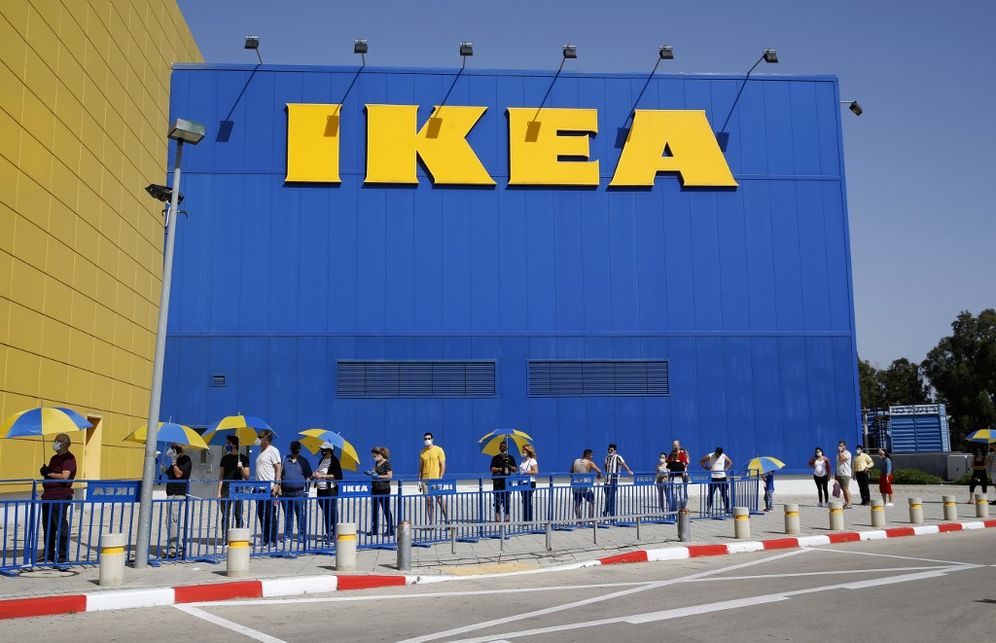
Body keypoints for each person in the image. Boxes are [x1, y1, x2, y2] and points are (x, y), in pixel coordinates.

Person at [39, 433, 76, 564]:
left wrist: (49, 473)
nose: (55, 443)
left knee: (60, 526)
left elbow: (65, 476)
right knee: (48, 526)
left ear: (65, 444)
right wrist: (46, 471)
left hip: (60, 495)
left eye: (58, 441)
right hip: (48, 495)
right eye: (55, 440)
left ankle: (63, 556)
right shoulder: (54, 458)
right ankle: (48, 553)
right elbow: (51, 474)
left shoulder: (69, 459)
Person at [161, 442, 192, 558]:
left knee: (172, 520)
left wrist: (173, 462)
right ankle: (174, 546)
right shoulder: (176, 461)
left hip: (178, 494)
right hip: (170, 493)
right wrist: (165, 470)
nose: (172, 450)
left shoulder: (186, 460)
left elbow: (179, 474)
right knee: (168, 521)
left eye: (174, 448)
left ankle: (176, 549)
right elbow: (172, 474)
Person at [217, 435, 250, 539]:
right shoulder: (224, 458)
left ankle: (238, 537)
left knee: (238, 514)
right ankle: (225, 538)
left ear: (235, 444)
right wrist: (219, 492)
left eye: (229, 443)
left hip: (238, 488)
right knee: (225, 515)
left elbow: (247, 476)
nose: (227, 445)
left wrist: (241, 468)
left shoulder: (243, 458)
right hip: (226, 488)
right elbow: (221, 476)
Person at [281, 440, 312, 544]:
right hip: (285, 492)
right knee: (287, 515)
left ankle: (302, 535)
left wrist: (307, 489)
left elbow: (308, 475)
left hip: (299, 492)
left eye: (296, 448)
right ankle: (288, 535)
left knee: (300, 514)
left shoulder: (304, 461)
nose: (295, 450)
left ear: (299, 449)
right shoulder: (284, 460)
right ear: (291, 449)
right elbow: (280, 474)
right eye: (293, 448)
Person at [254, 430, 282, 546]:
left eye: (260, 437)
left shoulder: (273, 450)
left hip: (269, 488)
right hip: (259, 488)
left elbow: (278, 468)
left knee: (270, 514)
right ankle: (265, 538)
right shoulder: (261, 451)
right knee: (261, 514)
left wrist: (276, 484)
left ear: (266, 439)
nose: (258, 439)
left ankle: (273, 539)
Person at [312, 441, 343, 544]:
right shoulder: (322, 460)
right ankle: (328, 532)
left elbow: (337, 476)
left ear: (329, 450)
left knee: (332, 511)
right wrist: (315, 474)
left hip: (330, 490)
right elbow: (320, 471)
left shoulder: (334, 461)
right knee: (326, 512)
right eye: (321, 449)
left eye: (324, 450)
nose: (322, 451)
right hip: (320, 490)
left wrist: (323, 476)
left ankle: (334, 533)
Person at [418, 432, 448, 523]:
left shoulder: (439, 450)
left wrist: (440, 477)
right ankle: (431, 523)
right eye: (425, 439)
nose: (427, 440)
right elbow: (421, 467)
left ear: (432, 439)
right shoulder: (422, 452)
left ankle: (447, 521)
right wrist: (419, 480)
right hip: (425, 480)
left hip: (436, 480)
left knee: (440, 500)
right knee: (428, 501)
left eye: (429, 438)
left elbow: (442, 464)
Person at [570, 449, 603, 523]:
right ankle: (590, 519)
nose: (592, 456)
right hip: (585, 486)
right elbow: (599, 471)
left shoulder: (576, 461)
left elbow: (571, 472)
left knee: (577, 504)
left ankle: (579, 521)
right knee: (592, 500)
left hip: (576, 485)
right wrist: (598, 479)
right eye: (591, 455)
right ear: (588, 455)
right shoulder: (590, 462)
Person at [367, 446, 394, 536]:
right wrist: (371, 473)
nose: (374, 457)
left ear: (381, 454)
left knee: (386, 509)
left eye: (375, 455)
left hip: (384, 489)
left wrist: (378, 476)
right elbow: (375, 473)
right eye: (373, 456)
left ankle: (390, 530)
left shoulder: (386, 463)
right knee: (375, 509)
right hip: (375, 489)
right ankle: (374, 529)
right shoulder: (376, 463)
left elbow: (390, 476)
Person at [603, 443, 633, 519]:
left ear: (615, 450)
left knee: (611, 498)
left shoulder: (617, 457)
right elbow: (605, 466)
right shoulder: (606, 458)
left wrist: (629, 471)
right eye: (608, 449)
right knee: (607, 498)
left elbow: (623, 464)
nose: (609, 451)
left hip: (614, 480)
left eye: (611, 450)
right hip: (606, 480)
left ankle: (611, 516)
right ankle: (605, 513)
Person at [489, 441, 517, 522]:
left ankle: (507, 517)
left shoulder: (510, 458)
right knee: (497, 500)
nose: (503, 448)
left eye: (504, 447)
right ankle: (497, 517)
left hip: (507, 482)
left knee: (507, 500)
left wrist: (508, 466)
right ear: (499, 448)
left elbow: (515, 469)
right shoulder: (495, 458)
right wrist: (500, 469)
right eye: (501, 446)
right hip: (497, 482)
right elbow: (491, 469)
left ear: (507, 448)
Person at [699, 447, 732, 512]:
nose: (718, 455)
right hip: (713, 477)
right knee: (711, 494)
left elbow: (730, 462)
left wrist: (726, 469)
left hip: (722, 477)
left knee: (724, 494)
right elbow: (701, 461)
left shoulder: (723, 456)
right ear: (715, 452)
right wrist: (706, 468)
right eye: (717, 454)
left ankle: (727, 508)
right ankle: (708, 508)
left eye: (719, 454)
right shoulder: (710, 455)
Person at [665, 440, 690, 510]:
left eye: (676, 445)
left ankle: (682, 509)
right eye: (673, 445)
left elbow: (684, 465)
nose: (675, 447)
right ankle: (675, 509)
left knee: (683, 494)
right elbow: (667, 464)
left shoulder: (682, 454)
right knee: (674, 495)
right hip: (672, 478)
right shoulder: (671, 454)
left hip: (681, 477)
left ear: (679, 446)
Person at [518, 444, 538, 523]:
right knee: (524, 501)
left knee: (527, 500)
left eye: (524, 450)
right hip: (522, 483)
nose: (523, 451)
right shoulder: (523, 461)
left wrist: (525, 472)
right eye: (522, 450)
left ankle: (528, 520)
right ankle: (526, 519)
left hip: (530, 483)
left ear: (528, 451)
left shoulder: (532, 460)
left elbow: (535, 471)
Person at [835, 440, 853, 509]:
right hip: (839, 474)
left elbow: (842, 459)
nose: (839, 447)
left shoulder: (847, 453)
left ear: (845, 446)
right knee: (843, 489)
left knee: (846, 489)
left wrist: (840, 452)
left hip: (845, 474)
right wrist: (836, 474)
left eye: (841, 446)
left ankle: (849, 504)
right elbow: (838, 465)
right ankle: (846, 502)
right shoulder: (838, 454)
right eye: (839, 445)